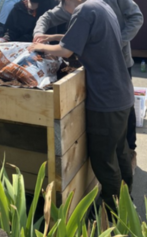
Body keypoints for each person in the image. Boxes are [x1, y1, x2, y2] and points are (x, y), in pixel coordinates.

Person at [28, 0, 135, 214]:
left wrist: (38, 46)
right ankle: (126, 201)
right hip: (121, 94)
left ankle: (113, 214)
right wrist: (51, 37)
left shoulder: (85, 10)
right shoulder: (101, 6)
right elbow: (85, 36)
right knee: (121, 150)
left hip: (105, 100)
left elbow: (67, 51)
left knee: (104, 160)